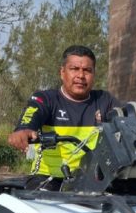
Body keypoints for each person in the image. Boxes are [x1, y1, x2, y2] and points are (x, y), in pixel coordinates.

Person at [8, 45, 121, 189]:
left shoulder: (106, 100)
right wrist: (23, 130)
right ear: (62, 72)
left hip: (93, 179)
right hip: (49, 179)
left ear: (94, 74)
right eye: (74, 69)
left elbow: (128, 121)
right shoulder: (45, 99)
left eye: (87, 70)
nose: (81, 75)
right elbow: (31, 116)